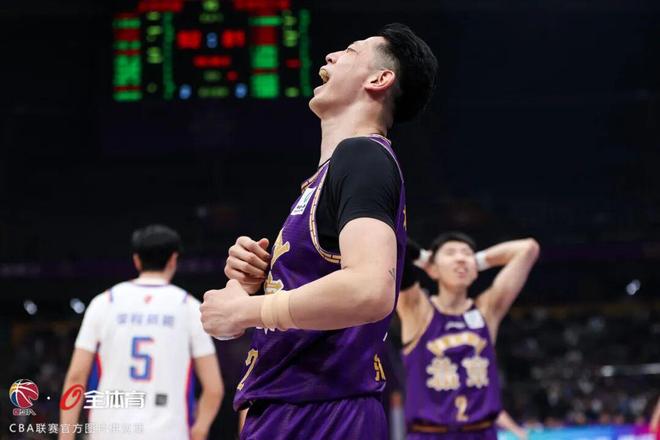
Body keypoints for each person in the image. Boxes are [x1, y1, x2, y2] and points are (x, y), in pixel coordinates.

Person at [200, 23, 438, 439]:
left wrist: (248, 311)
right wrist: (257, 282)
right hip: (298, 409)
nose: (330, 56)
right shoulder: (328, 175)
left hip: (322, 412)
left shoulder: (362, 155)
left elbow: (369, 289)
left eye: (350, 51)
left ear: (380, 79)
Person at [59, 225, 223, 440]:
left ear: (136, 260)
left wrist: (66, 436)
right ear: (173, 259)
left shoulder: (105, 302)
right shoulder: (189, 306)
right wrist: (200, 429)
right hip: (167, 431)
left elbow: (76, 377)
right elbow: (214, 388)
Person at [397, 233, 539, 439]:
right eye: (450, 253)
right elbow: (394, 242)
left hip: (482, 432)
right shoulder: (417, 310)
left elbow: (528, 249)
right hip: (429, 434)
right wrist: (424, 259)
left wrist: (477, 262)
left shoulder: (487, 311)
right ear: (433, 269)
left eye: (467, 253)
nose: (460, 258)